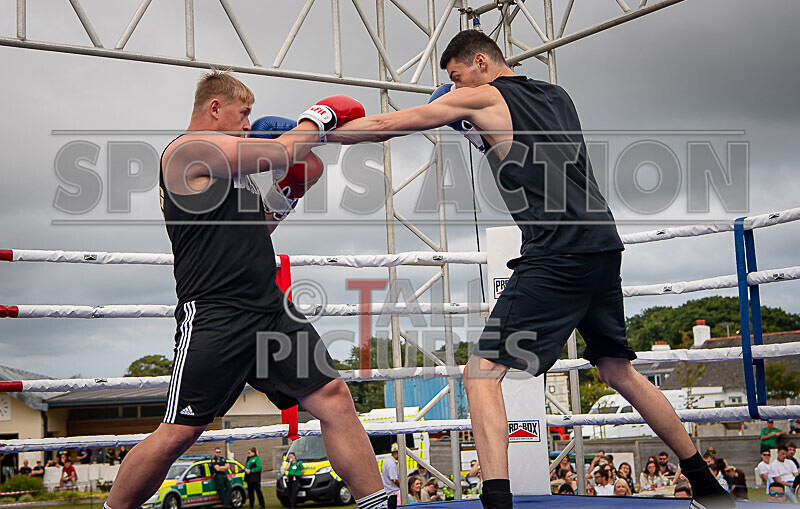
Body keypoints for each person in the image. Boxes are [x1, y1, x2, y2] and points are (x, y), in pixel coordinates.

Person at [328, 28, 735, 509]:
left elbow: (390, 125)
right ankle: (708, 487)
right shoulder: (558, 97)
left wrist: (315, 131)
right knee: (617, 369)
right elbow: (530, 152)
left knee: (480, 375)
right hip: (602, 245)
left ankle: (497, 501)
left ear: (480, 62)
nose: (456, 90)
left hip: (557, 251)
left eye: (458, 78)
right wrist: (482, 138)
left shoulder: (481, 98)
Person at [104, 70, 390, 509]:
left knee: (333, 398)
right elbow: (278, 149)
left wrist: (288, 192)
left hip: (270, 309)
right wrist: (319, 118)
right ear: (214, 108)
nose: (247, 124)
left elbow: (259, 228)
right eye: (243, 114)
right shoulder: (187, 152)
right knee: (180, 433)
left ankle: (375, 503)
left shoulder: (233, 176)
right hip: (217, 314)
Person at [380, 444, 400, 509]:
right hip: (393, 493)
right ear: (396, 453)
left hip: (389, 493)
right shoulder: (391, 464)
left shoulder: (388, 462)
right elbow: (395, 480)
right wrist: (404, 489)